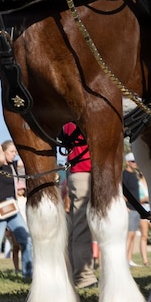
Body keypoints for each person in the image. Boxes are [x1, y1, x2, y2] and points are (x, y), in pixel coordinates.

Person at [0, 141, 33, 280]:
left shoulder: (13, 166)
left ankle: (28, 273)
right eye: (11, 151)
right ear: (3, 152)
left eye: (15, 152)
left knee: (26, 239)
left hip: (12, 208)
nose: (14, 154)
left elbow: (27, 161)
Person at [61, 123, 95, 288]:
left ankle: (71, 273)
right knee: (81, 226)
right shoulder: (78, 118)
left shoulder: (67, 121)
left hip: (77, 172)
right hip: (85, 170)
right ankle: (84, 276)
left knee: (76, 226)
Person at [123, 153, 142, 267]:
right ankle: (124, 260)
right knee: (128, 236)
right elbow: (120, 191)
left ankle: (129, 259)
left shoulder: (135, 175)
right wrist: (124, 206)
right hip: (129, 208)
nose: (135, 163)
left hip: (136, 209)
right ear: (127, 162)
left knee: (133, 235)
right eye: (133, 161)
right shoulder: (124, 175)